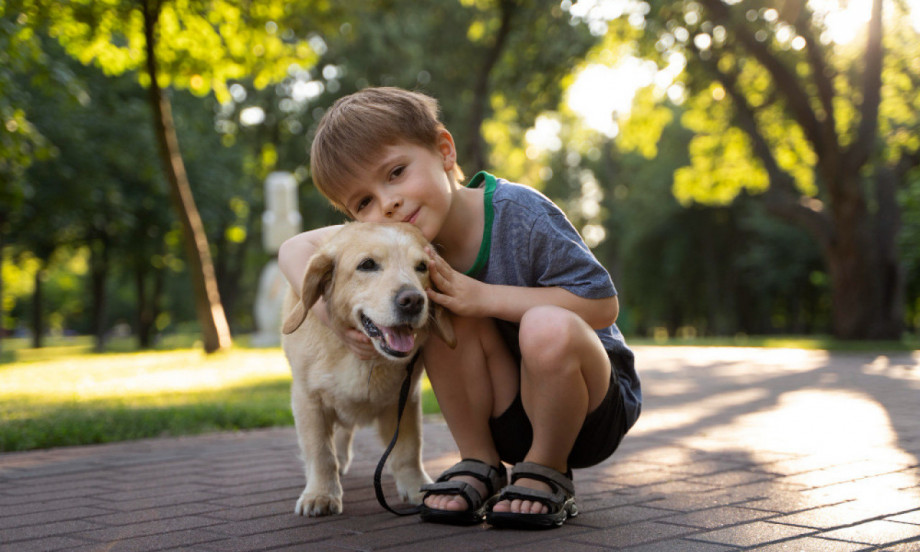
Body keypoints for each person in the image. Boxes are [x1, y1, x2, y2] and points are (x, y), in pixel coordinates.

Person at [278, 87, 641, 529]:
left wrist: (484, 296)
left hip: (590, 409)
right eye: (363, 203)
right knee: (438, 311)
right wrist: (331, 321)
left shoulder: (520, 212)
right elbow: (295, 248)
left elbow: (602, 304)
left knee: (544, 325)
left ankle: (547, 471)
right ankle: (480, 462)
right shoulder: (402, 244)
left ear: (444, 151)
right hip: (506, 413)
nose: (386, 203)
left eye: (395, 172)